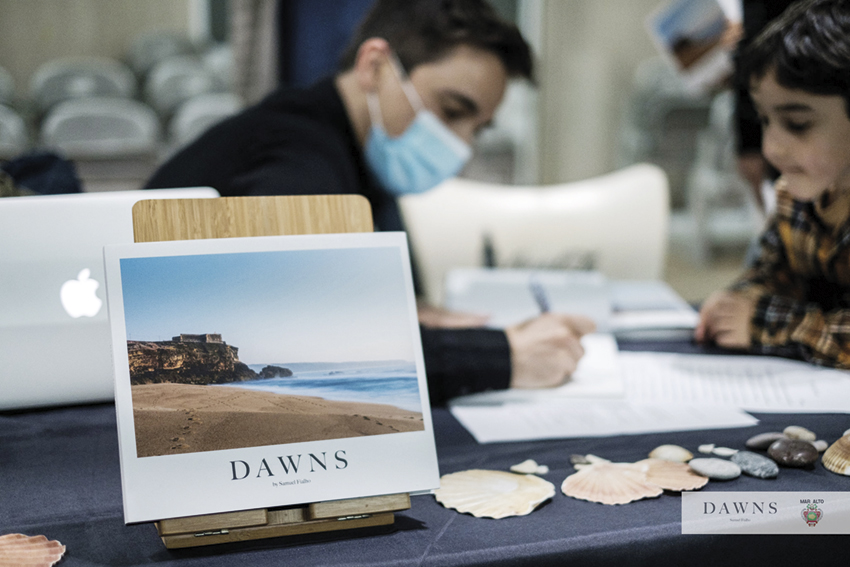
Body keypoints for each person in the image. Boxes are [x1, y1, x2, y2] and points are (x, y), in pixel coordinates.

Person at [145, 0, 595, 405]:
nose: (461, 147)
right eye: (453, 110)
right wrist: (506, 356)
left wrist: (410, 313)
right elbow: (315, 334)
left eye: (478, 128)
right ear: (375, 65)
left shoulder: (365, 158)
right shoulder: (298, 157)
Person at [695, 0, 850, 368]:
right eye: (765, 121)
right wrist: (737, 301)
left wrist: (764, 321)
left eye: (797, 124)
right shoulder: (795, 198)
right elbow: (770, 275)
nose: (771, 149)